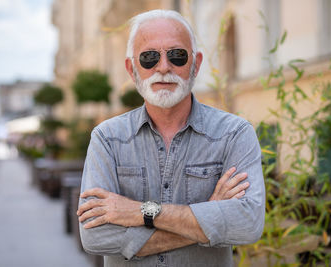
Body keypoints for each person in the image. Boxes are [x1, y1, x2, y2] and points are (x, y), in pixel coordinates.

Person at [77, 9, 265, 266]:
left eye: (177, 56)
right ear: (132, 69)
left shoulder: (234, 134)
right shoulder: (107, 138)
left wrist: (138, 212)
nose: (163, 67)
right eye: (149, 57)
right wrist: (207, 216)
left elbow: (247, 224)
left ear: (196, 64)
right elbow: (95, 236)